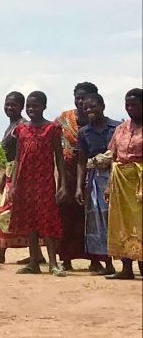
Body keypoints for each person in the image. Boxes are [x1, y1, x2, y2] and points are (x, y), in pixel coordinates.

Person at [8, 91, 65, 276]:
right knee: (30, 222)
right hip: (25, 182)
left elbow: (59, 157)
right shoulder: (21, 129)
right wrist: (14, 184)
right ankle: (33, 262)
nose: (32, 109)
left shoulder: (52, 128)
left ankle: (53, 263)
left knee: (47, 221)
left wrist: (62, 183)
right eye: (29, 106)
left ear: (44, 107)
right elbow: (17, 158)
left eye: (36, 106)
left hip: (45, 182)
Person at [0, 92, 36, 264]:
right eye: (7, 104)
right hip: (12, 171)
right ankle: (36, 252)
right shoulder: (12, 125)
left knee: (8, 211)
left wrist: (13, 178)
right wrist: (4, 177)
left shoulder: (23, 126)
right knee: (18, 212)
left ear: (21, 107)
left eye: (14, 105)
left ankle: (1, 250)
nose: (9, 108)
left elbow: (23, 155)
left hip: (21, 173)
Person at [54, 82, 99, 270]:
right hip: (68, 173)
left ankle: (96, 260)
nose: (81, 101)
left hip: (93, 173)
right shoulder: (63, 119)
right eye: (78, 97)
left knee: (92, 216)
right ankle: (66, 260)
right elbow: (56, 149)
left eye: (85, 98)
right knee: (66, 215)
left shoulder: (97, 120)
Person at [75, 93, 119, 276]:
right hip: (94, 179)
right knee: (98, 223)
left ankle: (130, 262)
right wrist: (79, 187)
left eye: (93, 106)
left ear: (102, 106)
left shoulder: (117, 127)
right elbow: (81, 161)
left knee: (118, 220)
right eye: (86, 108)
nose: (89, 110)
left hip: (117, 177)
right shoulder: (84, 132)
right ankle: (107, 263)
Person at [105, 87, 143, 280]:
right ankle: (126, 267)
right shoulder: (120, 128)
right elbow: (112, 156)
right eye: (127, 104)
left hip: (140, 180)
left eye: (134, 104)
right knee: (121, 222)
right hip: (120, 180)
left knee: (140, 222)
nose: (130, 108)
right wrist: (108, 185)